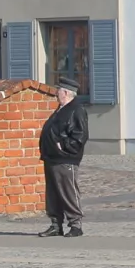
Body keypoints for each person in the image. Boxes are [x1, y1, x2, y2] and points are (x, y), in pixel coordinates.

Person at [38, 80, 88, 237]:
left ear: (66, 92)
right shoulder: (61, 109)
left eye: (58, 90)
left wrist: (65, 146)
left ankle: (75, 225)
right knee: (53, 194)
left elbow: (81, 135)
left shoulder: (76, 109)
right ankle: (55, 224)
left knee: (68, 192)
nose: (56, 93)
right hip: (51, 157)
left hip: (65, 159)